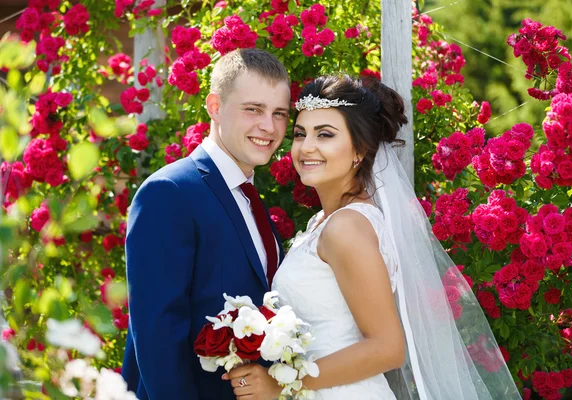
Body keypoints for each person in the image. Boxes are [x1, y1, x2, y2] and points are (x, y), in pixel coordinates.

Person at [224, 75, 521, 399]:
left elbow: (387, 348)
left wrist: (282, 382)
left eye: (325, 134)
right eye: (300, 134)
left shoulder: (345, 228)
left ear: (360, 150)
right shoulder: (328, 222)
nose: (306, 146)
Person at [122, 48, 291, 400]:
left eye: (279, 113)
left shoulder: (249, 197)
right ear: (214, 107)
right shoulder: (169, 192)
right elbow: (157, 334)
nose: (269, 127)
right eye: (253, 109)